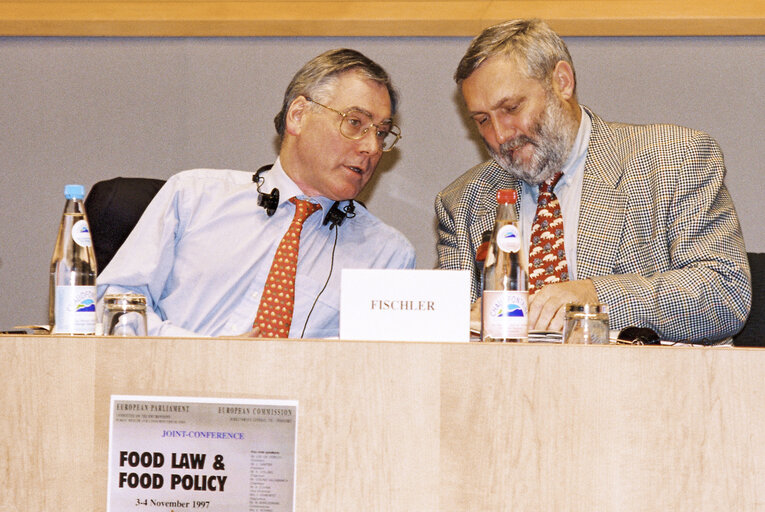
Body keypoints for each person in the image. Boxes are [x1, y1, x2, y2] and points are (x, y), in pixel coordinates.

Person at [435, 19, 750, 343]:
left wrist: (594, 295)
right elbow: (446, 336)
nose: (500, 135)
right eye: (483, 120)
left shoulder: (672, 160)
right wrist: (461, 321)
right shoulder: (464, 202)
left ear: (562, 81)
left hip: (643, 387)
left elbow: (724, 294)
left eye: (512, 108)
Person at [97, 48, 416, 338]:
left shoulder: (386, 254)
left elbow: (377, 371)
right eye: (355, 122)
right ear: (298, 115)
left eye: (382, 132)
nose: (372, 147)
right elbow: (111, 305)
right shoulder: (193, 197)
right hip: (170, 391)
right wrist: (198, 353)